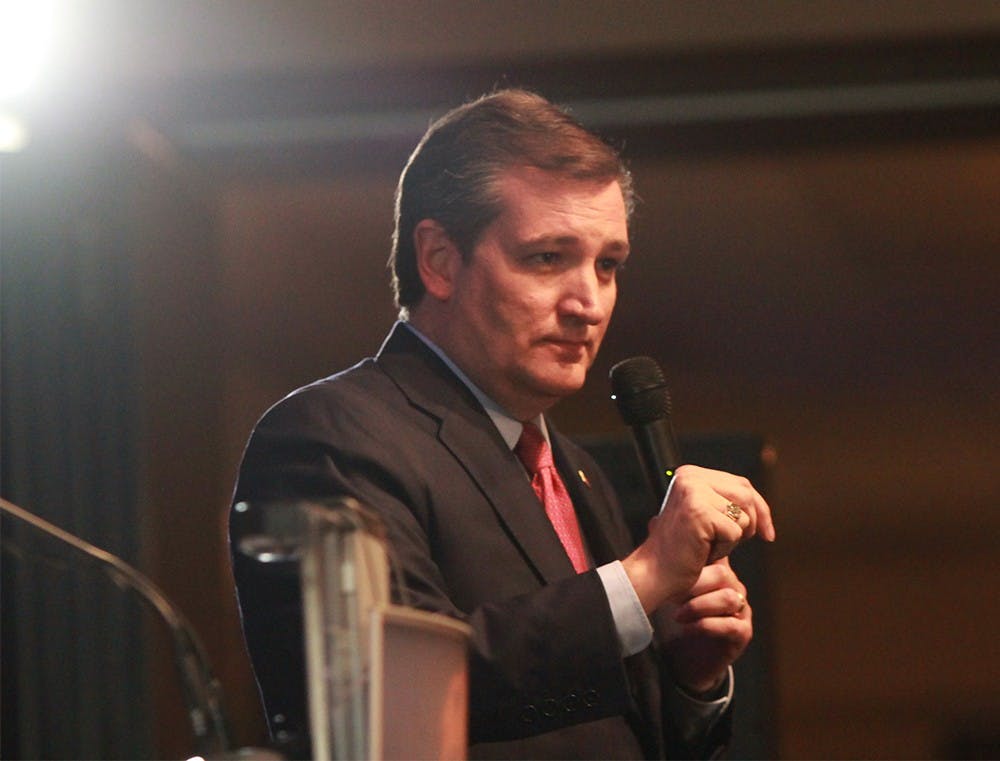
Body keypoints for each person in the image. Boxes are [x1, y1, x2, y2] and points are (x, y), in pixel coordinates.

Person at [229, 88, 775, 759]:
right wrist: (643, 578)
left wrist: (689, 681)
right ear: (439, 260)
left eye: (607, 265)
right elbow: (388, 701)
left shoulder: (580, 473)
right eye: (548, 257)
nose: (589, 303)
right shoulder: (329, 434)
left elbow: (589, 727)